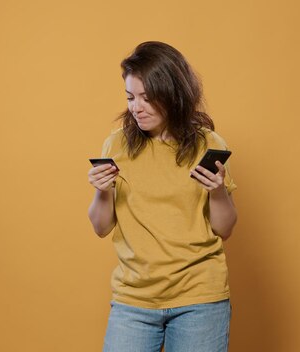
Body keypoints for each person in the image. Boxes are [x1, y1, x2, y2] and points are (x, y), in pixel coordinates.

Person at [87, 41, 238, 352]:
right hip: (134, 299)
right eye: (130, 97)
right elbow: (101, 227)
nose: (136, 107)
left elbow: (225, 228)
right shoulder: (116, 146)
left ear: (173, 95)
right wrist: (102, 192)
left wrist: (218, 190)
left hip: (200, 298)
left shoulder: (207, 144)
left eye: (147, 98)